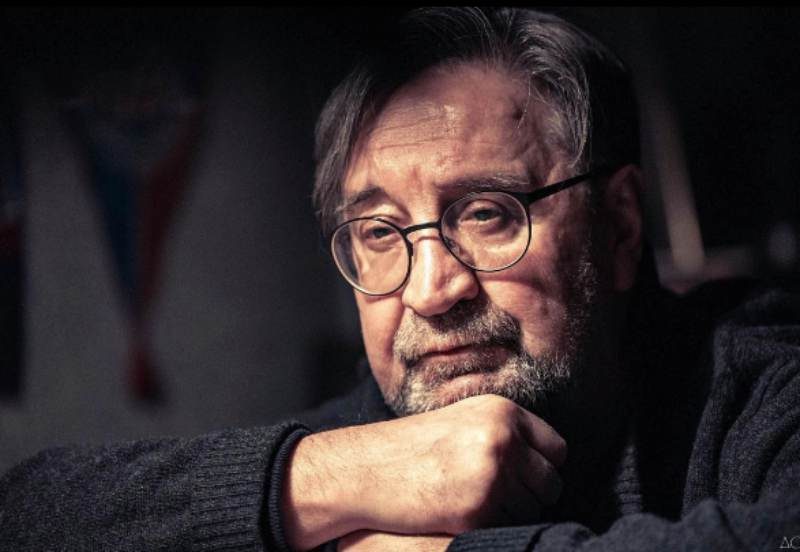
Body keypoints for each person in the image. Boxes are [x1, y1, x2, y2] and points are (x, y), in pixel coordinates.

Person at [1, 7, 798, 551]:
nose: (430, 291)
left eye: (486, 213)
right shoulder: (373, 442)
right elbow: (28, 515)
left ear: (619, 227)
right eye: (380, 233)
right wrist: (318, 480)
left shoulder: (756, 382)